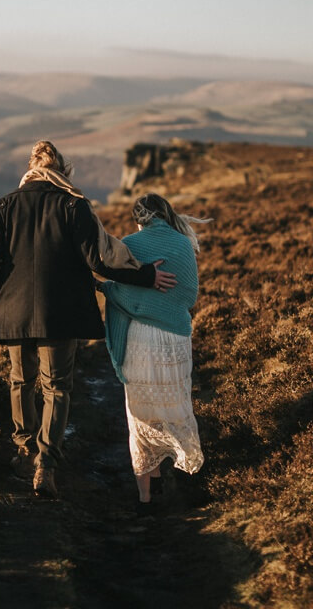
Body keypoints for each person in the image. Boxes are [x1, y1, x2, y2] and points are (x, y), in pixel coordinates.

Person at [0, 141, 177, 498]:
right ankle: (47, 463)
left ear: (31, 169)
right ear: (62, 171)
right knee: (56, 387)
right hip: (60, 313)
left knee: (20, 381)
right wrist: (146, 276)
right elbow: (100, 259)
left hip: (13, 312)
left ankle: (25, 448)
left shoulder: (4, 206)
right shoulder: (73, 205)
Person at [99, 192, 208, 513]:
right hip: (175, 338)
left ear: (138, 219)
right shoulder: (182, 244)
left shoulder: (129, 244)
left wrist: (105, 288)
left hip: (140, 339)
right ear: (166, 213)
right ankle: (184, 488)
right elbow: (189, 294)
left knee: (140, 415)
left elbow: (121, 288)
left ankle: (148, 497)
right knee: (176, 407)